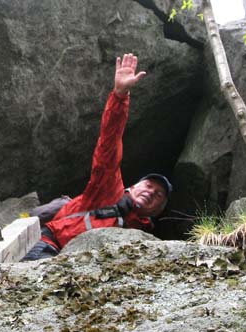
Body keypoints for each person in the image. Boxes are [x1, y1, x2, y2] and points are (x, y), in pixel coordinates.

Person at [23, 53, 173, 261]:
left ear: (157, 211)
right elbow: (108, 145)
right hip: (49, 247)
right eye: (148, 186)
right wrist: (120, 96)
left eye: (158, 195)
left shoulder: (142, 237)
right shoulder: (109, 192)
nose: (151, 193)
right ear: (132, 187)